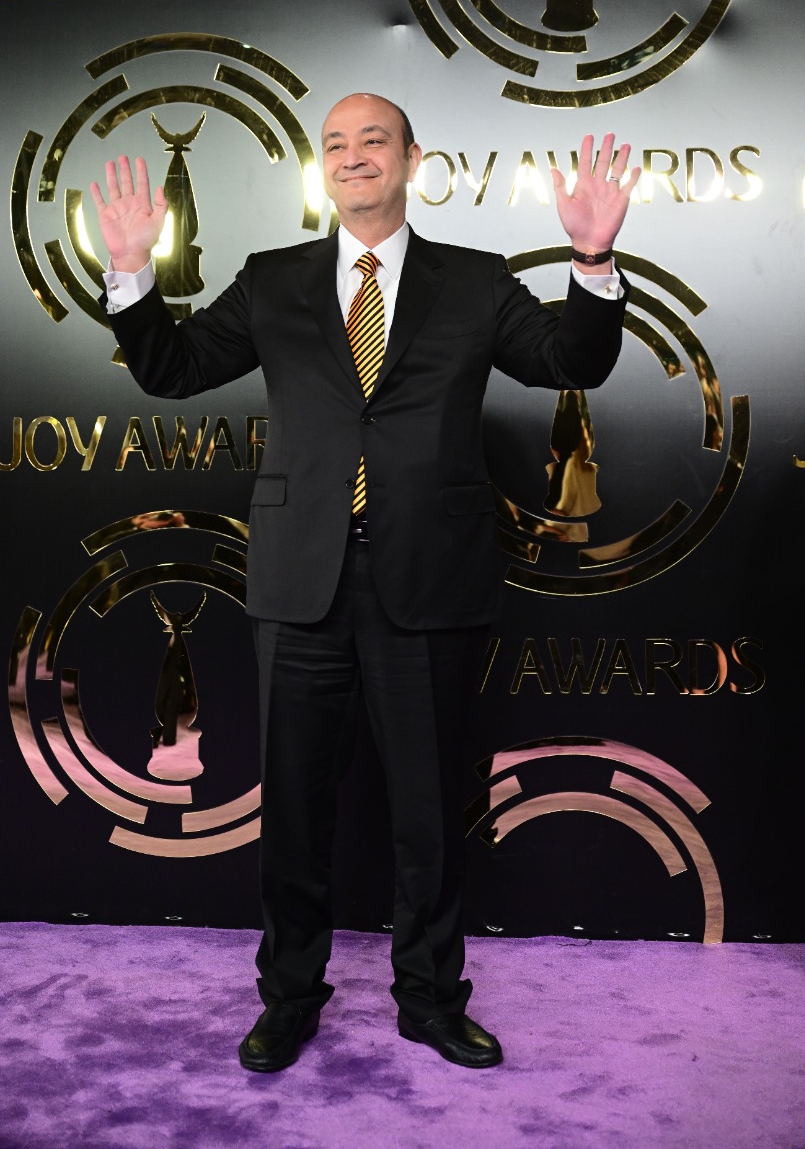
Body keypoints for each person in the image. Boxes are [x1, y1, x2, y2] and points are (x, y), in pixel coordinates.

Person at [90, 93, 640, 1073]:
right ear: (323, 167)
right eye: (335, 143)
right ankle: (288, 999)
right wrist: (132, 274)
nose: (353, 156)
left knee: (428, 812)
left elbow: (573, 360)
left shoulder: (475, 280)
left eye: (372, 140)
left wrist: (592, 261)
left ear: (411, 160)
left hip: (428, 577)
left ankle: (429, 1000)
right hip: (300, 578)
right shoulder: (272, 280)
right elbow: (172, 371)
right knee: (294, 812)